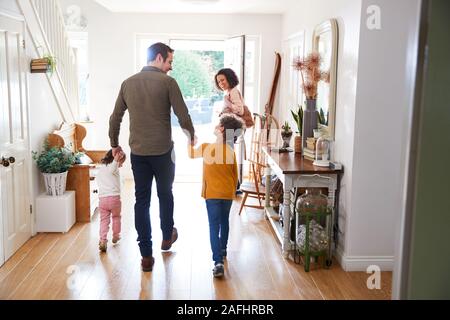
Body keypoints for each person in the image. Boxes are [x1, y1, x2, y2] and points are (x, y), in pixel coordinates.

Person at [109, 42, 196, 272]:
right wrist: (191, 135)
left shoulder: (128, 83)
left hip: (139, 154)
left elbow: (114, 118)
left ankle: (146, 255)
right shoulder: (168, 83)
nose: (171, 67)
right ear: (158, 58)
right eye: (169, 61)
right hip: (163, 153)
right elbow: (182, 114)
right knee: (165, 194)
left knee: (141, 201)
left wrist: (114, 145)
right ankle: (167, 237)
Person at [188, 114, 243, 278]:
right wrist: (232, 191)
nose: (216, 125)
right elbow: (235, 175)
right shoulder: (230, 152)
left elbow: (191, 154)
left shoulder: (206, 147)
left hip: (212, 194)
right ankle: (223, 249)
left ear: (222, 129)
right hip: (227, 194)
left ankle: (218, 262)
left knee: (213, 226)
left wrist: (190, 142)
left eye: (218, 124)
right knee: (224, 221)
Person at [214, 68, 246, 195]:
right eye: (218, 81)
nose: (221, 83)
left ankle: (233, 186)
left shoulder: (233, 92)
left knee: (227, 157)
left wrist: (228, 105)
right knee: (228, 156)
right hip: (229, 128)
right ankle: (234, 185)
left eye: (222, 80)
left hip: (231, 128)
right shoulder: (229, 92)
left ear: (229, 78)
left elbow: (240, 110)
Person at [97, 149, 124, 253]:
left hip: (102, 199)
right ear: (116, 159)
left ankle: (103, 240)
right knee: (116, 217)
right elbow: (113, 168)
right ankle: (116, 235)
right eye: (121, 162)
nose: (121, 165)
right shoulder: (114, 167)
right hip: (114, 199)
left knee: (104, 220)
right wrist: (116, 160)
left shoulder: (101, 169)